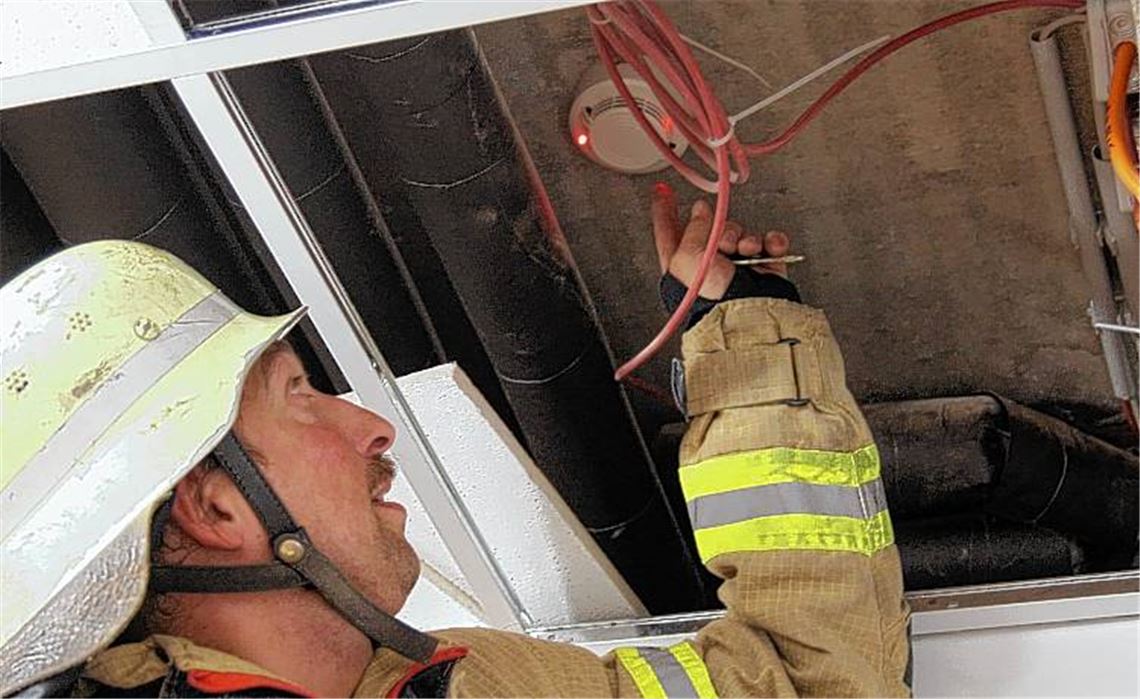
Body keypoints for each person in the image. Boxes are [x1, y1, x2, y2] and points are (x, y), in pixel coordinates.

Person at [0, 185, 910, 698]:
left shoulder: (469, 684)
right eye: (303, 397)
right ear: (216, 505)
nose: (372, 425)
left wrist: (749, 330)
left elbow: (806, 684)